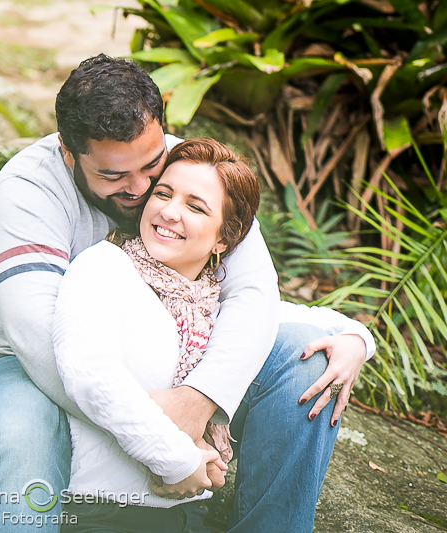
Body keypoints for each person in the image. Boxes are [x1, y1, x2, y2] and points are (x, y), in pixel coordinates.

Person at [0, 54, 369, 532]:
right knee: (20, 432)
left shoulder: (191, 172)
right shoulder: (28, 191)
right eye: (113, 176)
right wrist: (165, 441)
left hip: (177, 357)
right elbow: (43, 344)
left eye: (152, 165)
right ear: (70, 154)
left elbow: (251, 297)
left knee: (305, 363)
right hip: (29, 371)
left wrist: (198, 400)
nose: (142, 189)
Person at [53, 138, 375, 532]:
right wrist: (178, 460)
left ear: (224, 238)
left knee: (309, 356)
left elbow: (307, 321)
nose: (169, 212)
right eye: (163, 194)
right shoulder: (103, 268)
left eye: (195, 206)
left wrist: (356, 342)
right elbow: (89, 374)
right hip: (106, 511)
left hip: (187, 515)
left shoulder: (212, 306)